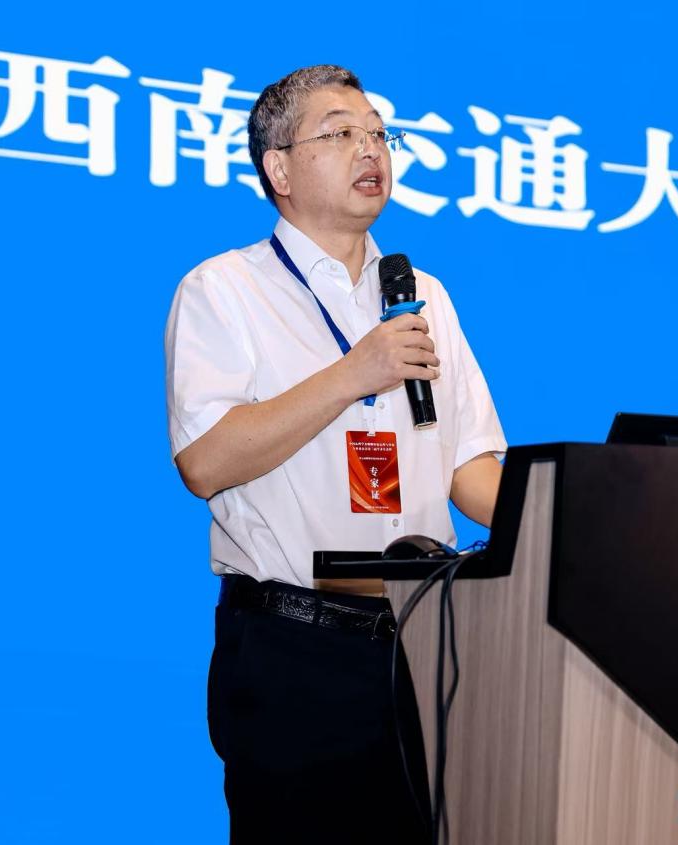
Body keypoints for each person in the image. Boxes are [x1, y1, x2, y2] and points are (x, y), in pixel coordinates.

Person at [163, 64, 506, 844]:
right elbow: (205, 461)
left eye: (379, 133)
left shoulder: (424, 295)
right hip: (294, 650)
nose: (369, 149)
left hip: (426, 647)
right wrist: (355, 373)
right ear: (278, 169)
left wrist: (572, 517)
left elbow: (469, 469)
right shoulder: (224, 289)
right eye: (340, 132)